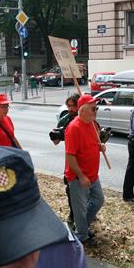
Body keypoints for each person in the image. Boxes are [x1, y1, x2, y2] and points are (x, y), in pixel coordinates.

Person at [65, 94, 105, 246]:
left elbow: (92, 144)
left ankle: (81, 226)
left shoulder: (93, 124)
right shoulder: (73, 128)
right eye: (93, 109)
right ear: (82, 111)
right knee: (79, 208)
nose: (96, 111)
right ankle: (81, 235)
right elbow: (71, 157)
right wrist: (81, 176)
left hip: (93, 174)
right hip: (78, 177)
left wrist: (100, 147)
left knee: (98, 200)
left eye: (96, 108)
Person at [52, 94, 80, 227]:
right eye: (68, 106)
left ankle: (86, 211)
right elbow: (56, 141)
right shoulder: (65, 119)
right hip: (71, 158)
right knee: (71, 187)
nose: (70, 109)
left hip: (86, 157)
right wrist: (61, 133)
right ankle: (73, 214)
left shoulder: (85, 117)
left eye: (73, 105)